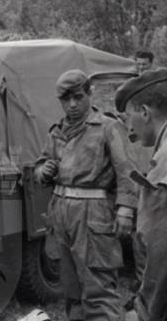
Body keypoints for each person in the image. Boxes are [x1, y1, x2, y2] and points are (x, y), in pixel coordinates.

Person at [34, 69, 138, 321]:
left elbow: (127, 170)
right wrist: (43, 170)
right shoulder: (56, 131)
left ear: (89, 94)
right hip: (61, 213)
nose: (72, 105)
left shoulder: (108, 127)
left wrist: (126, 209)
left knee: (98, 289)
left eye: (78, 97)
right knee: (71, 290)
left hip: (93, 214)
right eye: (66, 99)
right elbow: (40, 164)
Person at [115, 69, 167, 321]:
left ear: (145, 113)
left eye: (128, 117)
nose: (129, 128)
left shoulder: (163, 164)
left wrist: (144, 312)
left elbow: (160, 254)